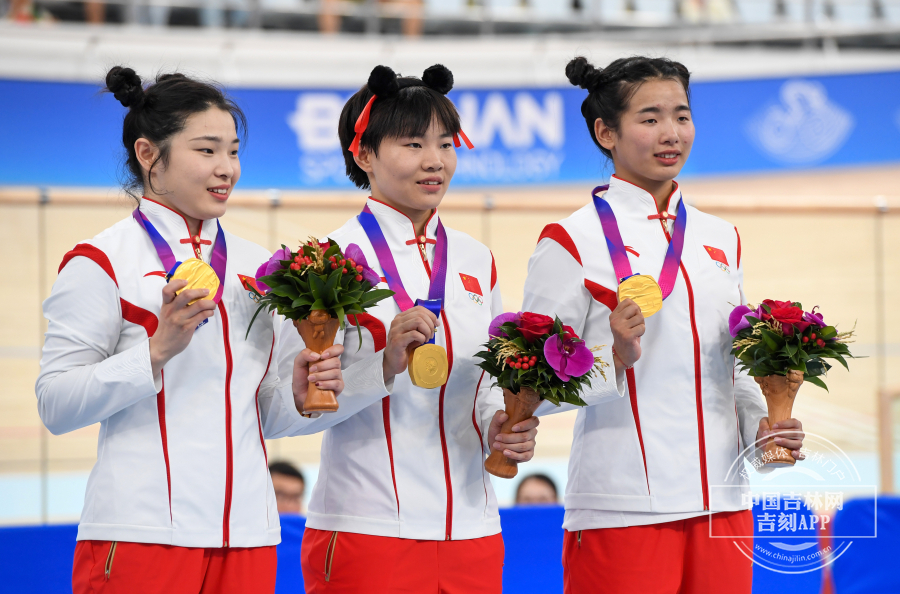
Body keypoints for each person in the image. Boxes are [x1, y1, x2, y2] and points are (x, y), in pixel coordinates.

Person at [36, 67, 389, 594]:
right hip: (141, 536)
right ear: (148, 154)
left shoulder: (259, 269)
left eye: (233, 151)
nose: (227, 168)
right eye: (207, 150)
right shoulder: (101, 261)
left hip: (247, 538)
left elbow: (266, 415)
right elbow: (55, 404)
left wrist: (298, 398)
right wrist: (156, 351)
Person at [521, 56, 806, 594]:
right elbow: (526, 383)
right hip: (622, 508)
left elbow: (734, 366)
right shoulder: (570, 239)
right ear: (606, 132)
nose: (671, 133)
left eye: (682, 115)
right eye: (650, 118)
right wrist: (613, 357)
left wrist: (763, 434)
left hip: (722, 505)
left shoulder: (721, 237)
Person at [295, 64, 539, 594]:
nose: (435, 161)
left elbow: (484, 382)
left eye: (446, 144)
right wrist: (383, 364)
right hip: (368, 529)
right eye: (413, 144)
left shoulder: (476, 259)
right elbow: (299, 412)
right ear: (364, 154)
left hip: (472, 531)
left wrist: (498, 422)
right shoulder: (326, 261)